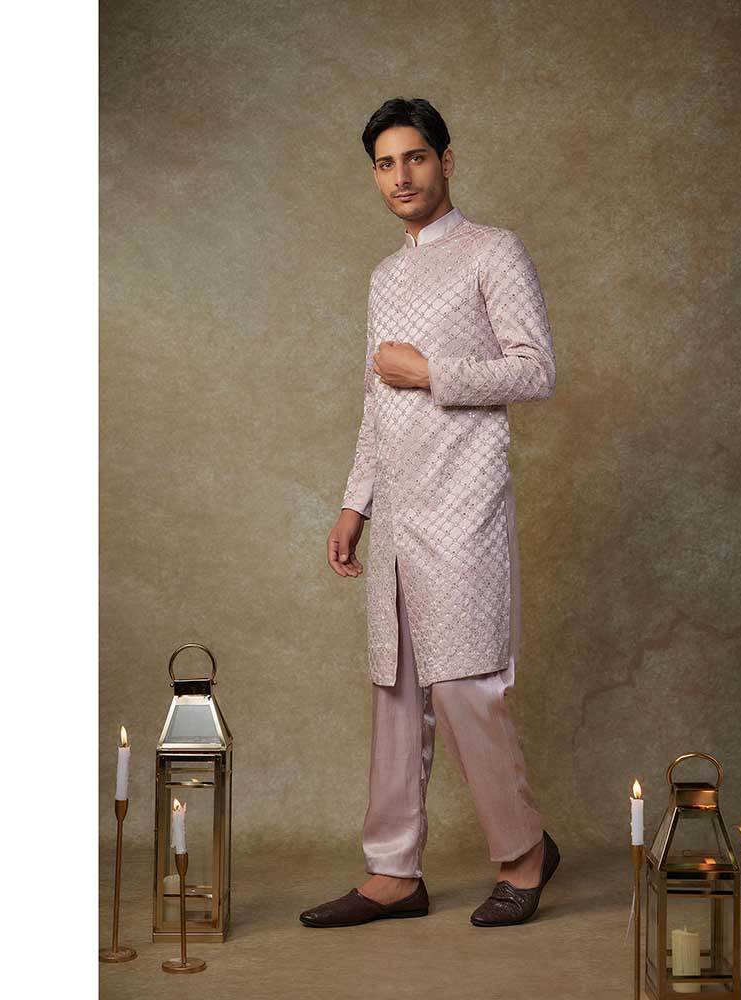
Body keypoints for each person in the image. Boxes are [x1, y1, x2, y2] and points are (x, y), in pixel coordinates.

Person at [299, 97, 559, 929]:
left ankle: (523, 853)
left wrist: (432, 373)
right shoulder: (384, 277)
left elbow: (536, 369)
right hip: (399, 513)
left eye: (414, 157)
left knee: (464, 685)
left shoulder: (492, 251)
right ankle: (392, 873)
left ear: (446, 161)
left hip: (465, 502)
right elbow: (374, 404)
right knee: (395, 688)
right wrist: (355, 504)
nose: (400, 177)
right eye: (384, 164)